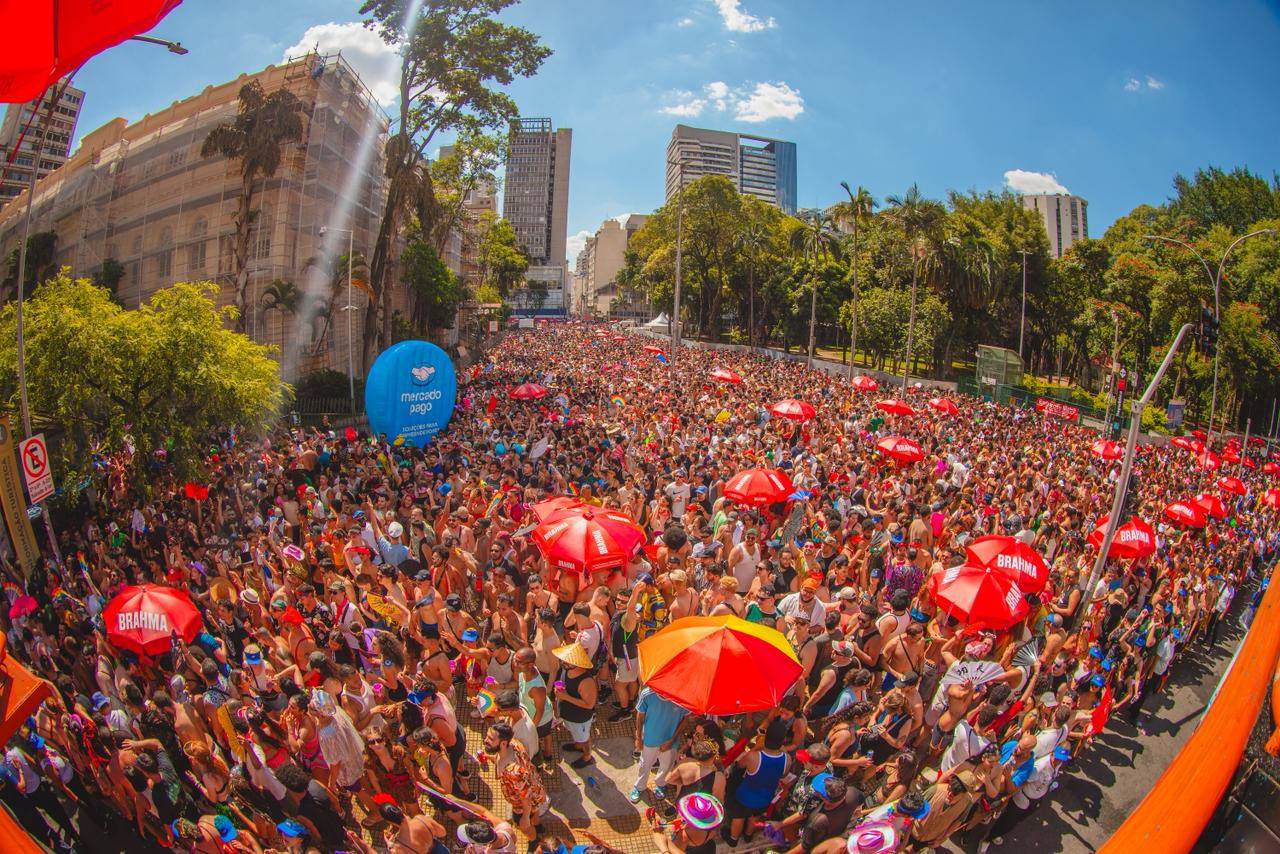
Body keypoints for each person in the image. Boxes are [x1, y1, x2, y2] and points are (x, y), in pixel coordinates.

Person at [630, 686, 689, 803]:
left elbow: (685, 720)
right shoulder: (647, 694)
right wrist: (639, 739)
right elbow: (640, 716)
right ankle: (639, 787)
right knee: (645, 765)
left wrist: (671, 740)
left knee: (667, 766)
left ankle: (661, 784)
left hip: (671, 743)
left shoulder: (682, 697)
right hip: (649, 740)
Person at [554, 641, 598, 770]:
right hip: (569, 715)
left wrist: (565, 697)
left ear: (575, 663)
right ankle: (578, 745)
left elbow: (589, 704)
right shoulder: (566, 670)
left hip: (580, 719)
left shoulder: (586, 681)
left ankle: (587, 756)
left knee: (585, 739)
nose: (562, 662)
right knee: (578, 736)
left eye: (566, 661)